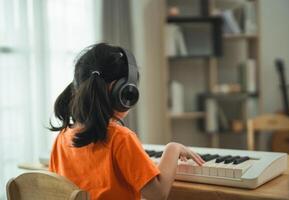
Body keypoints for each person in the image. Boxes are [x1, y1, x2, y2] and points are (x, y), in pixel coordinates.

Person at [49, 43, 205, 200]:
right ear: (122, 91)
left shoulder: (62, 138)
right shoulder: (120, 138)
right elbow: (158, 194)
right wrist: (173, 148)